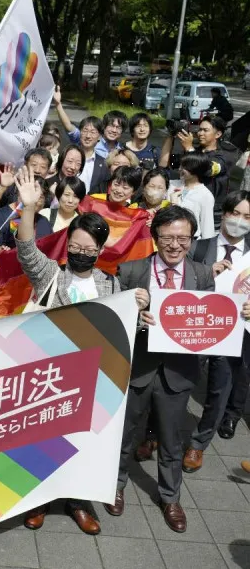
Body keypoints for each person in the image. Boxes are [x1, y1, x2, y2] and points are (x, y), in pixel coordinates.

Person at [107, 206, 245, 534]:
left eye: (182, 238)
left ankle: (170, 497)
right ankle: (115, 485)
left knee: (171, 440)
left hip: (179, 372)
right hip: (137, 366)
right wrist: (132, 315)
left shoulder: (202, 274)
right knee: (124, 434)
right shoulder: (130, 271)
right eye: (167, 237)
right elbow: (111, 320)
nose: (174, 245)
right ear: (154, 238)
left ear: (191, 239)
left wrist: (243, 314)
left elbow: (213, 319)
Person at [15, 167, 117, 535]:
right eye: (75, 247)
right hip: (48, 377)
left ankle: (78, 502)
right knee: (44, 442)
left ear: (101, 250)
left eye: (90, 249)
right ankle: (39, 500)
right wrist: (29, 210)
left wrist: (140, 305)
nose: (81, 253)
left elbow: (122, 328)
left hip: (91, 381)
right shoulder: (51, 275)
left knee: (81, 444)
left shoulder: (112, 283)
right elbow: (26, 250)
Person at [185, 192, 250, 452]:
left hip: (235, 330)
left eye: (247, 217)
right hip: (198, 327)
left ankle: (198, 444)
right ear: (224, 214)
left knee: (219, 389)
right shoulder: (199, 247)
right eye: (236, 213)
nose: (240, 221)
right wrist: (205, 273)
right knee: (181, 383)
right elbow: (180, 283)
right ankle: (155, 432)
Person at [161, 115, 238, 225]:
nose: (200, 133)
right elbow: (165, 163)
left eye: (205, 130)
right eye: (199, 129)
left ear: (218, 134)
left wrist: (189, 148)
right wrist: (171, 135)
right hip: (187, 207)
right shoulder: (194, 151)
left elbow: (207, 169)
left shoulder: (225, 156)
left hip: (211, 212)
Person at [54, 86, 125, 158]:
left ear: (122, 131)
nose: (114, 130)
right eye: (111, 126)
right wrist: (58, 104)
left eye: (118, 127)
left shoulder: (122, 150)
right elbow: (69, 126)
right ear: (104, 127)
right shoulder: (90, 139)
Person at [0, 177, 53, 250]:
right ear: (19, 192)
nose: (34, 201)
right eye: (30, 195)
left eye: (40, 197)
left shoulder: (44, 221)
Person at [171, 153, 216, 239]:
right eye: (181, 165)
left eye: (184, 167)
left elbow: (207, 228)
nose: (180, 169)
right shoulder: (171, 185)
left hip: (191, 241)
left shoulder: (205, 195)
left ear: (196, 170)